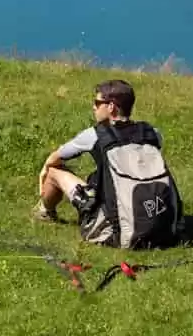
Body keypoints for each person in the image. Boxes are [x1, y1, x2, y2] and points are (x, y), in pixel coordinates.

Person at [34, 79, 179, 247]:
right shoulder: (152, 133)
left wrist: (44, 169)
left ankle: (45, 212)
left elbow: (56, 157)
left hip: (117, 234)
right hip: (165, 229)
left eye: (97, 102)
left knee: (54, 171)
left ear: (111, 107)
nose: (94, 107)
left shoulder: (95, 135)